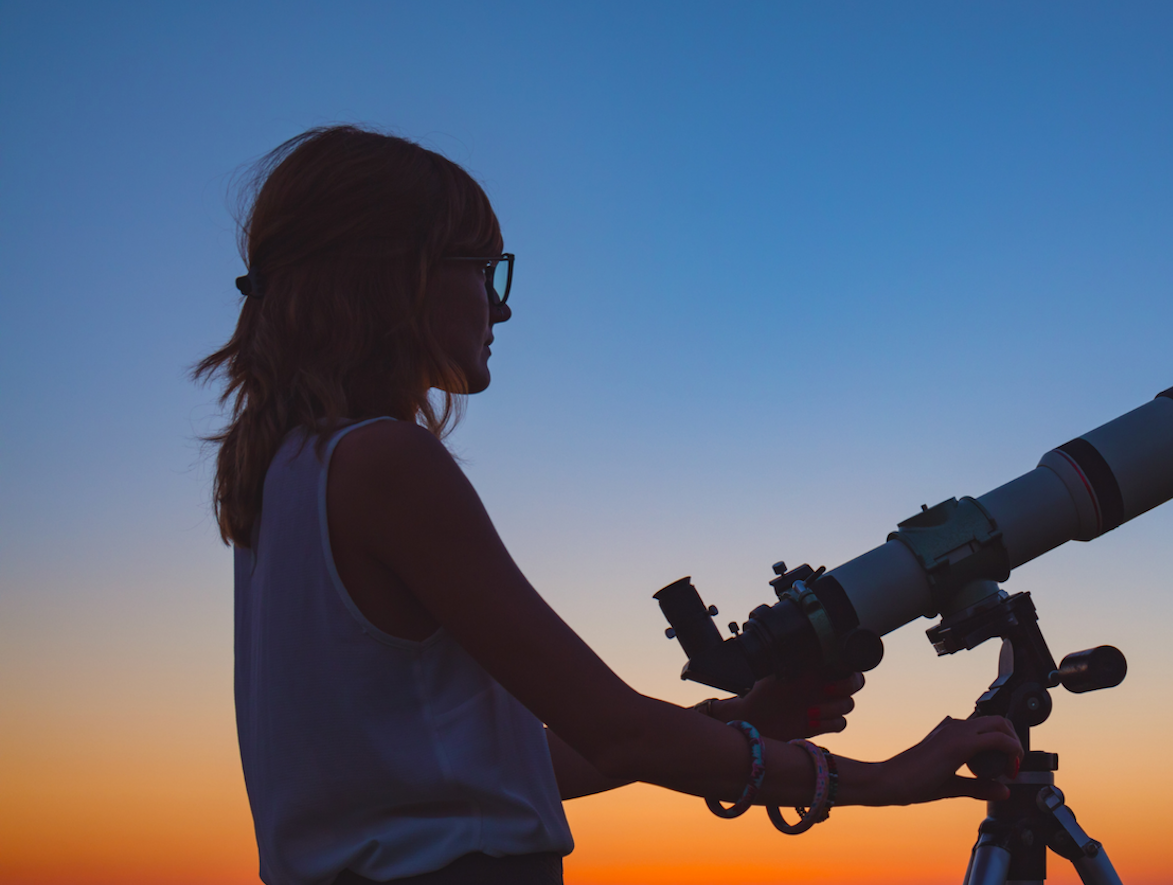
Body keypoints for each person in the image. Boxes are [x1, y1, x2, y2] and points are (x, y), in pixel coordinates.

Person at [198, 125, 1022, 885]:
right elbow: (617, 730)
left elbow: (515, 766)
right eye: (483, 271)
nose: (502, 305)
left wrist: (739, 718)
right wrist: (886, 779)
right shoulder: (387, 463)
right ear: (400, 273)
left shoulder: (282, 481)